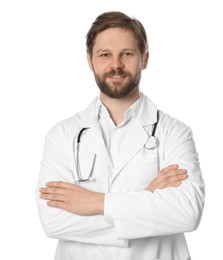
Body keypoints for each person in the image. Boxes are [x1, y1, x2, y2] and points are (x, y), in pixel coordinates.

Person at [36, 11, 205, 260]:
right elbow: (54, 221)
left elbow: (186, 213)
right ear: (90, 61)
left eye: (127, 54)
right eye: (105, 55)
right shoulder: (61, 135)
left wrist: (96, 203)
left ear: (144, 59)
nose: (116, 64)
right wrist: (147, 200)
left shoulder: (174, 132)